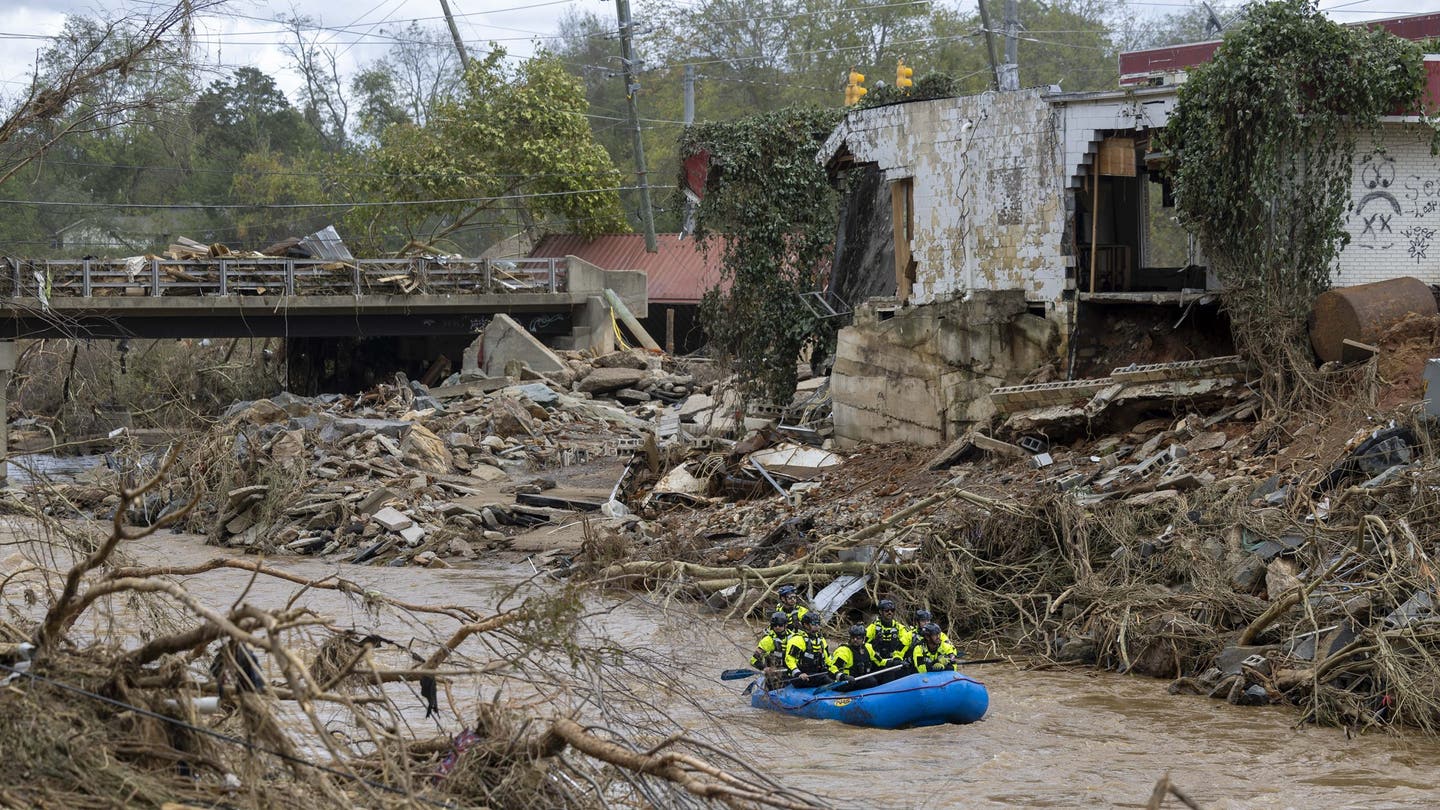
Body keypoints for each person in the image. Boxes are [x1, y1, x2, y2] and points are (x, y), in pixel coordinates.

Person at [784, 612, 833, 687]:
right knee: (824, 679)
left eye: (818, 623)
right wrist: (798, 673)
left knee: (831, 676)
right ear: (805, 625)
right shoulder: (797, 639)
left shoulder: (821, 640)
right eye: (813, 624)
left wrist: (835, 671)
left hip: (816, 673)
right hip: (801, 676)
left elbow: (828, 659)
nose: (817, 626)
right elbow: (789, 659)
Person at [865, 599, 913, 669]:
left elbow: (907, 644)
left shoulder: (900, 628)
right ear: (880, 612)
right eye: (886, 610)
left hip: (895, 662)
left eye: (892, 610)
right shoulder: (873, 627)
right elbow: (864, 645)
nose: (890, 612)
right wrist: (875, 642)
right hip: (877, 662)